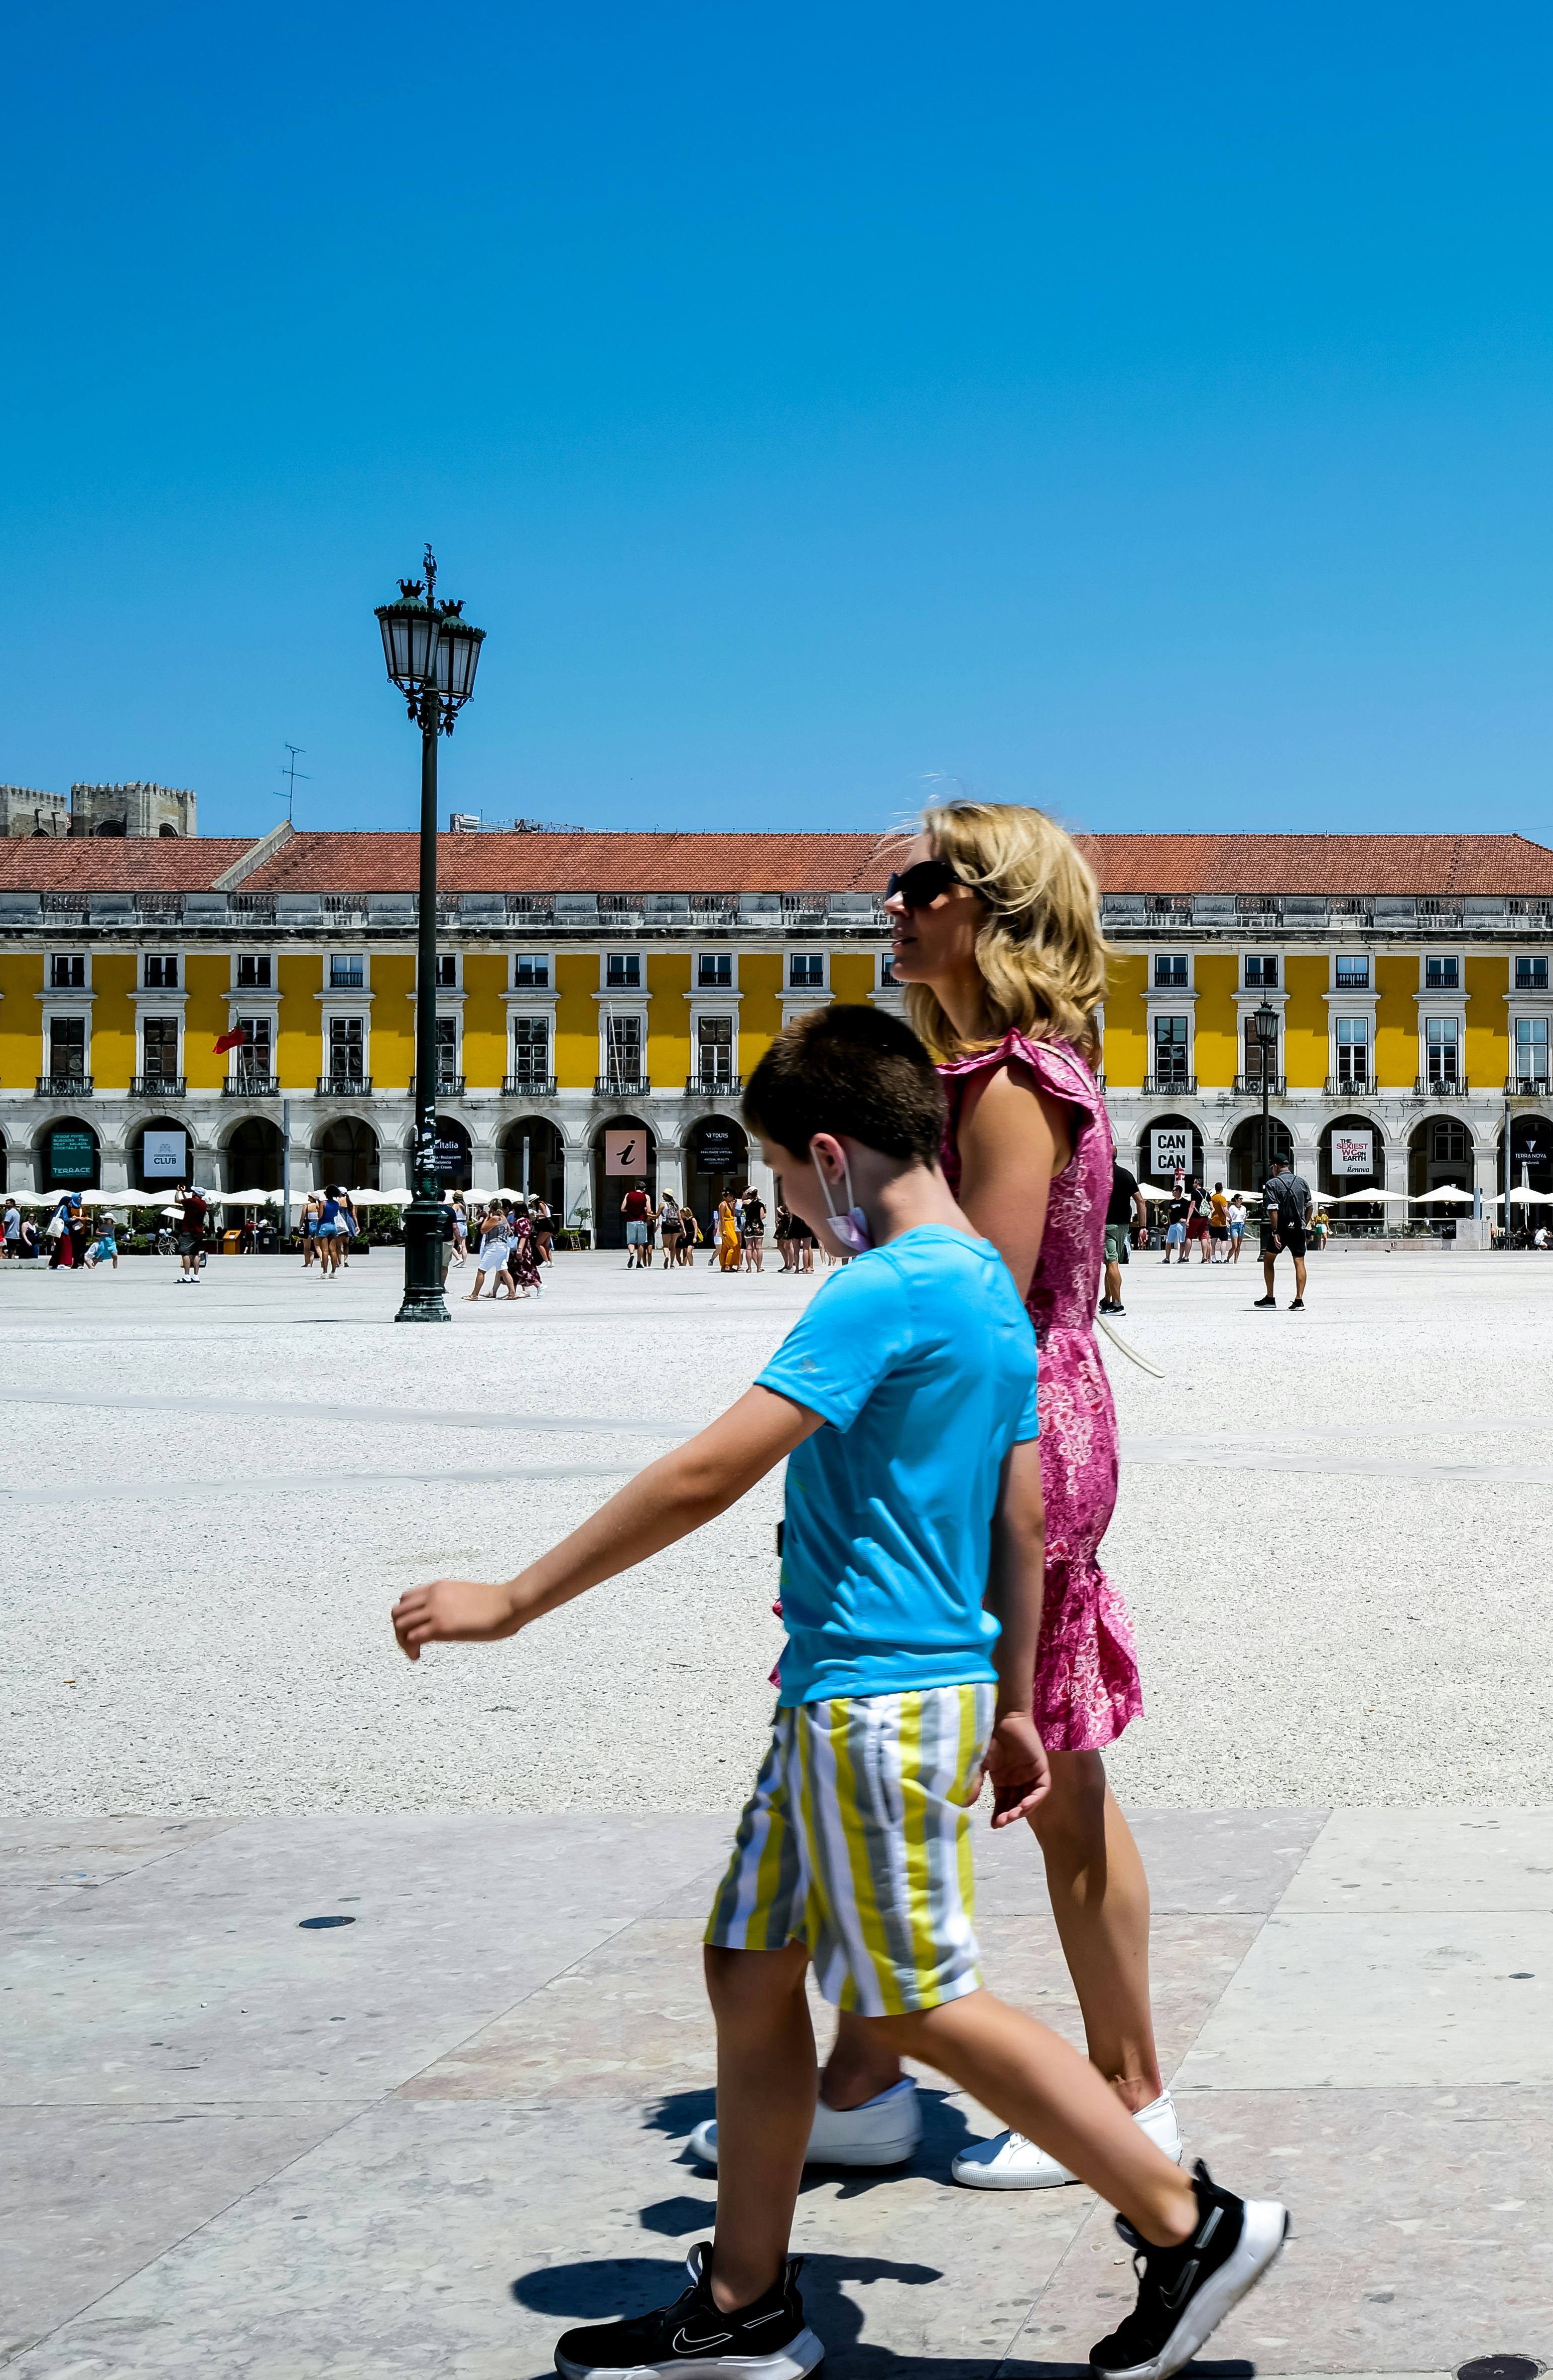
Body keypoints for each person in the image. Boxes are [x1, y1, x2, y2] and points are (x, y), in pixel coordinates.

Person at [391, 1005, 1284, 2380]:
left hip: (872, 1703)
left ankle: (1184, 2221)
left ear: (828, 1152)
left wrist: (513, 1600)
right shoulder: (993, 1287)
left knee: (921, 1999)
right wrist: (1013, 1699)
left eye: (781, 1186)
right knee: (750, 1968)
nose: (787, 1213)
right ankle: (745, 2303)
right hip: (863, 1697)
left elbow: (711, 1468)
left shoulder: (885, 1288)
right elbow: (1024, 1500)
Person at [765, 802, 1180, 2193]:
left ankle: (1126, 2095)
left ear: (992, 909)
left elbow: (976, 1309)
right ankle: (870, 2077)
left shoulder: (1006, 1084)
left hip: (1007, 1436)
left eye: (918, 884)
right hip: (1005, 1419)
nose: (890, 905)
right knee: (929, 1751)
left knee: (1045, 1768)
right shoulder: (990, 1070)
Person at [1257, 1154, 1316, 1308]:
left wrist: (1275, 1231)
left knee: (1269, 1260)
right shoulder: (1302, 1182)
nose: (1272, 1170)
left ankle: (1270, 1298)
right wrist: (1304, 1224)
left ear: (1276, 1166)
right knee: (1299, 1261)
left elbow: (1273, 1210)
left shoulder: (1273, 1184)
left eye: (1272, 1168)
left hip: (1281, 1229)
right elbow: (1310, 1207)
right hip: (1298, 1228)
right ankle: (1299, 1300)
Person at [1103, 1157, 1137, 1314]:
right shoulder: (1126, 1174)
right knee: (1111, 1263)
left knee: (1111, 1263)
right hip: (1123, 1226)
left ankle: (1118, 1304)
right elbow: (1141, 1202)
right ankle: (1107, 1300)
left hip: (1107, 1225)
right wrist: (1143, 1226)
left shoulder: (1102, 1173)